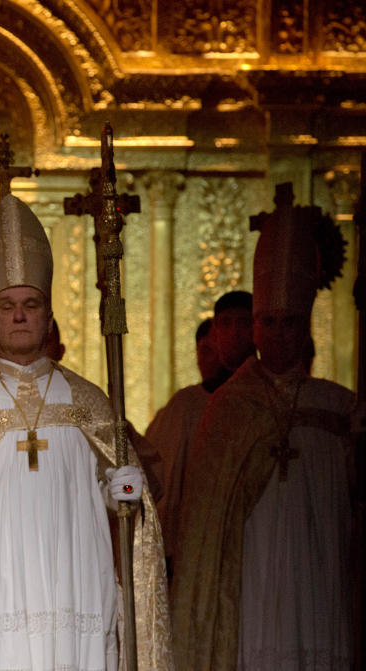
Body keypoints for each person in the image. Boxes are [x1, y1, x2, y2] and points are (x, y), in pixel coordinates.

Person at [0, 194, 172, 671]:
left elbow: (121, 498)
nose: (20, 315)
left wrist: (125, 490)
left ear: (48, 315)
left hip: (75, 580)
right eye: (8, 306)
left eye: (30, 304)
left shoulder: (87, 401)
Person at [171, 184, 356, 670]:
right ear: (254, 327)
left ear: (307, 325)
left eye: (289, 321)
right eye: (268, 322)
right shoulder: (228, 408)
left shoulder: (339, 407)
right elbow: (206, 527)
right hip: (251, 572)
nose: (278, 333)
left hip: (320, 571)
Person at [144, 317, 222, 575]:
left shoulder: (252, 402)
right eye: (206, 351)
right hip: (188, 535)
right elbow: (159, 471)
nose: (213, 359)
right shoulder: (183, 405)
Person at [210, 289, 255, 384]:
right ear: (215, 330)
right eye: (226, 323)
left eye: (243, 323)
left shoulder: (272, 392)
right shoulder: (191, 397)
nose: (234, 332)